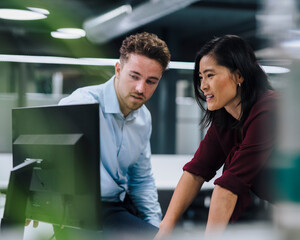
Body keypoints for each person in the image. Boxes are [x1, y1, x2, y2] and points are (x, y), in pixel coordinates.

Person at [155, 35, 278, 239]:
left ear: (238, 75)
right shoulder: (226, 118)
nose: (203, 86)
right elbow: (195, 172)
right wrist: (164, 229)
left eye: (210, 75)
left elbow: (228, 186)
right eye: (201, 77)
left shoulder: (268, 111)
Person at [57, 32, 171, 239]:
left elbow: (141, 179)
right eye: (134, 76)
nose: (140, 88)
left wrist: (156, 229)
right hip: (76, 209)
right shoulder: (82, 103)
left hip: (114, 207)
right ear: (118, 70)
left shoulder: (143, 118)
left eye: (151, 81)